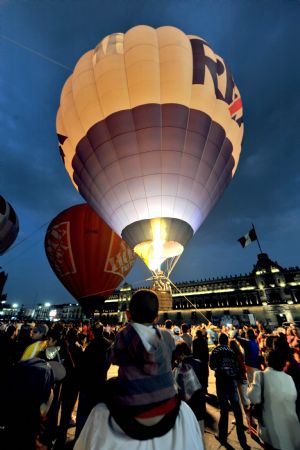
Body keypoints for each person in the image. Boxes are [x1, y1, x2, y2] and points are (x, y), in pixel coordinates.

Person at [74, 289, 204, 450]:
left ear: (128, 315)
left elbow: (112, 357)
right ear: (157, 317)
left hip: (128, 403)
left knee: (105, 389)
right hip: (167, 399)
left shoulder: (124, 334)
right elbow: (169, 352)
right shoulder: (168, 336)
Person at [248, 348, 300, 450]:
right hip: (291, 428)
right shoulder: (289, 378)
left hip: (272, 431)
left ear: (267, 361)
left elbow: (253, 397)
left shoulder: (260, 375)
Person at [210, 333, 250, 450]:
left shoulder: (216, 350)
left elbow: (212, 365)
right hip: (232, 380)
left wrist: (219, 369)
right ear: (227, 341)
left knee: (224, 408)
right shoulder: (232, 351)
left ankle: (223, 436)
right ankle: (241, 435)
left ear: (219, 340)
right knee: (236, 407)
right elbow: (237, 367)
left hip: (221, 380)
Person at [75, 322, 111, 439]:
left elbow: (82, 364)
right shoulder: (108, 344)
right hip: (100, 382)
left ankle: (80, 438)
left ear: (93, 332)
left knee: (82, 414)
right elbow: (108, 362)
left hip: (87, 383)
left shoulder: (90, 346)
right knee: (97, 413)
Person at [173, 341, 206, 447]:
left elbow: (179, 391)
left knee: (189, 438)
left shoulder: (181, 368)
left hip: (188, 407)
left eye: (178, 355)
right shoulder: (199, 363)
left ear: (181, 354)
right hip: (200, 403)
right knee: (200, 435)